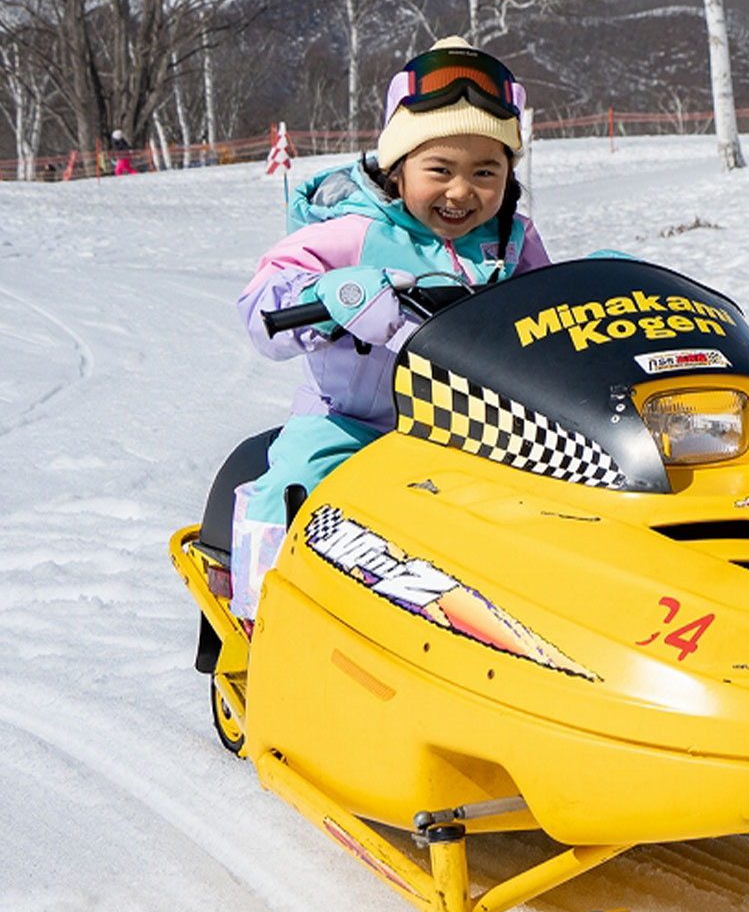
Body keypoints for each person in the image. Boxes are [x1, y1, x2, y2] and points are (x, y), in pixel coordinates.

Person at [228, 36, 550, 617]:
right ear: (399, 170)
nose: (461, 191)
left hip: (483, 431)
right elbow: (260, 309)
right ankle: (264, 619)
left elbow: (551, 315)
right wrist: (329, 293)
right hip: (353, 425)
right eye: (439, 169)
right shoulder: (352, 232)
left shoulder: (514, 239)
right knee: (295, 480)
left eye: (485, 170)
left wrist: (606, 291)